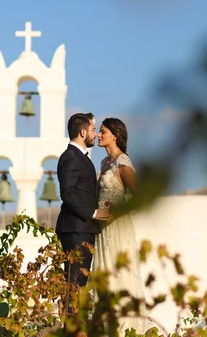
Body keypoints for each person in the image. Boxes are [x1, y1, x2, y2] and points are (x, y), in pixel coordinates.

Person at [93, 117, 150, 334]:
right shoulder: (103, 163)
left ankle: (126, 329)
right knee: (104, 277)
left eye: (103, 131)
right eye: (98, 131)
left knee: (120, 277)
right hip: (102, 229)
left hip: (118, 227)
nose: (99, 135)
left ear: (115, 135)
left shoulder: (123, 163)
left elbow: (139, 197)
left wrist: (116, 213)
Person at [55, 113, 112, 313]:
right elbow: (68, 193)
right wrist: (93, 213)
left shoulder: (80, 158)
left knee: (79, 286)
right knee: (75, 286)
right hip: (76, 229)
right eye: (93, 130)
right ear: (82, 132)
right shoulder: (70, 157)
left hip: (82, 229)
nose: (95, 135)